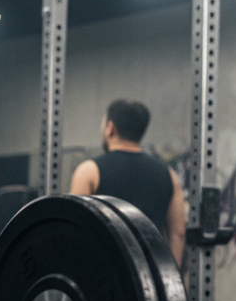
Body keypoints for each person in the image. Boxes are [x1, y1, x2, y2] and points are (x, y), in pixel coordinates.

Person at [69, 99, 186, 266]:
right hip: (151, 277)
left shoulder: (89, 171)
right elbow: (178, 233)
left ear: (110, 128)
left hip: (104, 278)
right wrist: (170, 283)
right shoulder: (169, 175)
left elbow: (74, 230)